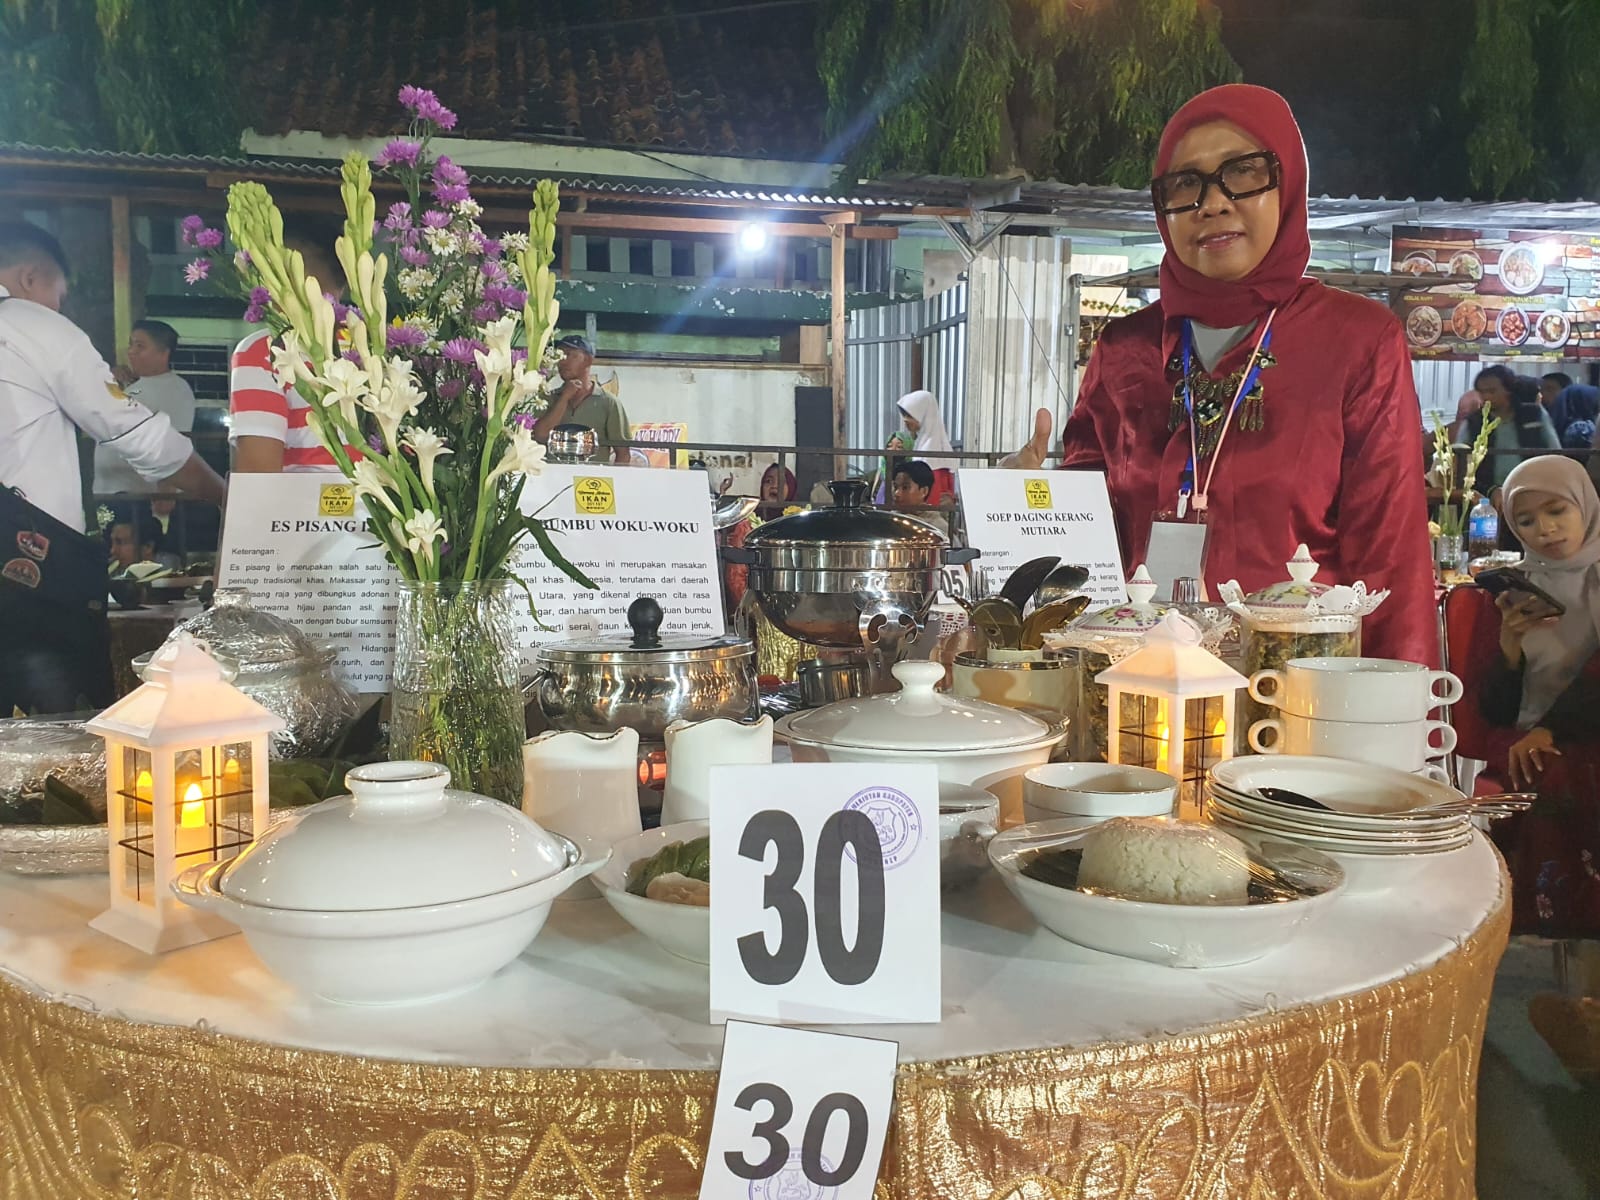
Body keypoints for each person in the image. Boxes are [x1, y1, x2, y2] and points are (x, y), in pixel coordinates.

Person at [1006, 85, 1435, 663]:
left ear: (1287, 188)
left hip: (1298, 693)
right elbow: (1090, 544)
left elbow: (1391, 552)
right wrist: (1029, 501)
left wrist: (1396, 722)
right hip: (1139, 685)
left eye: (1243, 173)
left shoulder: (1356, 339)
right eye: (1184, 185)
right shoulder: (1125, 349)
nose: (1212, 203)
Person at [0, 221, 224, 713]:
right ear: (32, 277)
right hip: (27, 577)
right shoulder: (29, 323)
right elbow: (136, 434)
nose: (59, 306)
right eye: (59, 294)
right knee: (52, 739)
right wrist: (225, 496)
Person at [1476, 456, 1600, 938]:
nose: (1544, 530)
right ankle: (1554, 938)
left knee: (1553, 770)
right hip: (1530, 734)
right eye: (1525, 520)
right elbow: (1494, 710)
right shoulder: (1517, 589)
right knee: (1533, 765)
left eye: (1556, 511)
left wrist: (1552, 729)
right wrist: (1510, 645)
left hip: (1579, 731)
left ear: (1584, 506)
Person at [230, 224, 358, 472]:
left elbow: (258, 474)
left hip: (299, 510)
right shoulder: (378, 343)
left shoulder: (263, 350)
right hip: (390, 511)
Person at [94, 320, 197, 495]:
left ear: (164, 353)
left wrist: (166, 490)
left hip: (140, 494)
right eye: (131, 345)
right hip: (109, 489)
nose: (131, 351)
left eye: (140, 346)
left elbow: (176, 437)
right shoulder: (133, 386)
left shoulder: (175, 388)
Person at [532, 334, 630, 464]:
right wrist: (564, 398)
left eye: (570, 354)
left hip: (593, 481)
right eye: (560, 355)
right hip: (552, 479)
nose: (562, 361)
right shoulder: (547, 398)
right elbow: (540, 436)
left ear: (588, 360)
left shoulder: (608, 403)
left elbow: (623, 453)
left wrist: (615, 480)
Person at [1468, 369, 1560, 495]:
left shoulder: (1534, 415)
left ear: (1508, 390)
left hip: (1533, 491)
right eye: (1482, 392)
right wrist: (1489, 490)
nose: (1486, 396)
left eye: (1492, 391)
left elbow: (1555, 453)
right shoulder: (1473, 422)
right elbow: (1463, 464)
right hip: (1488, 497)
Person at [890, 390, 955, 504]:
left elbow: (932, 496)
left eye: (910, 415)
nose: (905, 420)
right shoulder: (925, 444)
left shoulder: (931, 449)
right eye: (904, 415)